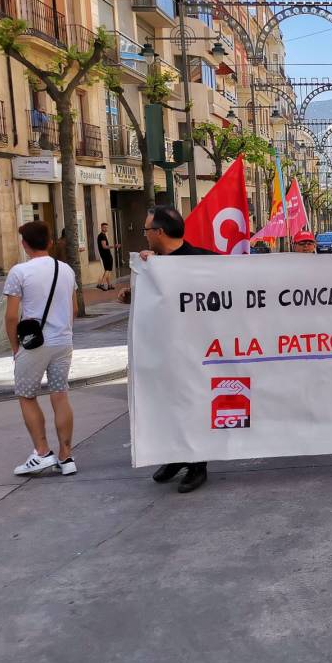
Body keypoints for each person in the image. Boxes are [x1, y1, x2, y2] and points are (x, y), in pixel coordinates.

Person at [117, 206, 214, 493]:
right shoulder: (152, 265)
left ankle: (197, 465)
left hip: (196, 351)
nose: (145, 235)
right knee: (165, 404)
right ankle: (175, 456)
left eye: (147, 230)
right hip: (163, 351)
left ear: (159, 232)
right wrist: (135, 291)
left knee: (191, 404)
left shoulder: (203, 261)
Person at [4, 221, 79, 477]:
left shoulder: (19, 272)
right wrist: (63, 332)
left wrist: (15, 347)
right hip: (63, 342)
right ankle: (66, 456)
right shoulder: (66, 270)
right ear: (49, 242)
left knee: (26, 395)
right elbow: (73, 310)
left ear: (24, 244)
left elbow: (11, 317)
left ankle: (42, 451)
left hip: (34, 344)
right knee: (60, 394)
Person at [96, 222, 117, 290]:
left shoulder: (102, 235)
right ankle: (101, 284)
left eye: (106, 227)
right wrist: (114, 246)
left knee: (107, 270)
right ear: (101, 228)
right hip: (106, 255)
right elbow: (104, 246)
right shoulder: (102, 236)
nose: (106, 228)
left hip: (104, 255)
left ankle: (109, 285)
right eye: (104, 227)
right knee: (108, 270)